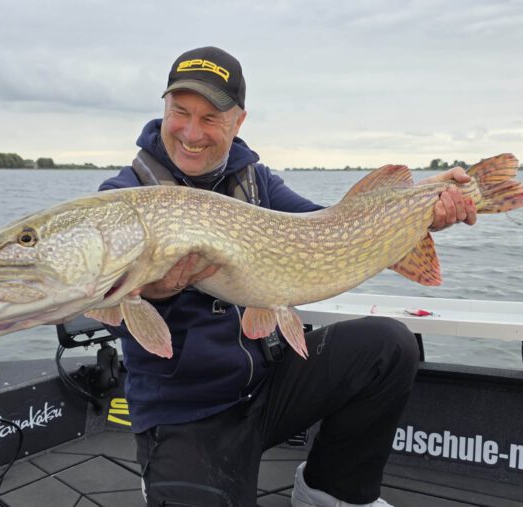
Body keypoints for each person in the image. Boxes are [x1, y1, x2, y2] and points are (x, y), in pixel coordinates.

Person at [98, 46, 477, 507]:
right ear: (164, 109)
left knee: (388, 344)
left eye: (210, 118)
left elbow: (331, 228)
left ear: (238, 121)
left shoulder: (257, 181)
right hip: (185, 413)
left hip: (265, 387)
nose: (191, 132)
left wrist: (417, 214)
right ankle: (166, 472)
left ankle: (328, 490)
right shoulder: (124, 197)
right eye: (180, 112)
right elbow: (96, 293)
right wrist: (151, 289)